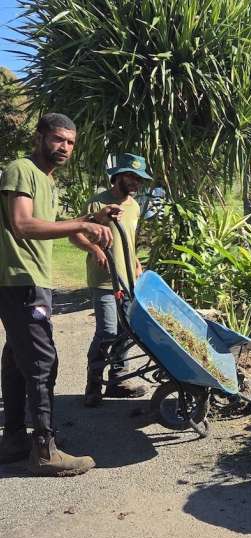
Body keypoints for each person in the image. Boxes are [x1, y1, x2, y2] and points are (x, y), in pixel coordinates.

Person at [0, 113, 120, 475]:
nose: (64, 147)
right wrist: (83, 224)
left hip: (31, 281)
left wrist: (93, 218)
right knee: (42, 363)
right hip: (20, 280)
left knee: (18, 360)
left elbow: (61, 230)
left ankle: (14, 439)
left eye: (70, 142)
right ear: (39, 137)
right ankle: (44, 449)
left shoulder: (47, 181)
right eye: (57, 139)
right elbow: (22, 225)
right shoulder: (22, 169)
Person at [70, 154, 152, 407]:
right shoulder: (98, 202)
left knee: (130, 330)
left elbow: (130, 239)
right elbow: (74, 234)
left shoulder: (135, 206)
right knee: (106, 331)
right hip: (104, 281)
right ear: (118, 176)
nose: (136, 183)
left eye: (140, 179)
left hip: (128, 280)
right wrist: (94, 249)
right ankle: (93, 384)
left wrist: (136, 262)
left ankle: (118, 380)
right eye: (132, 177)